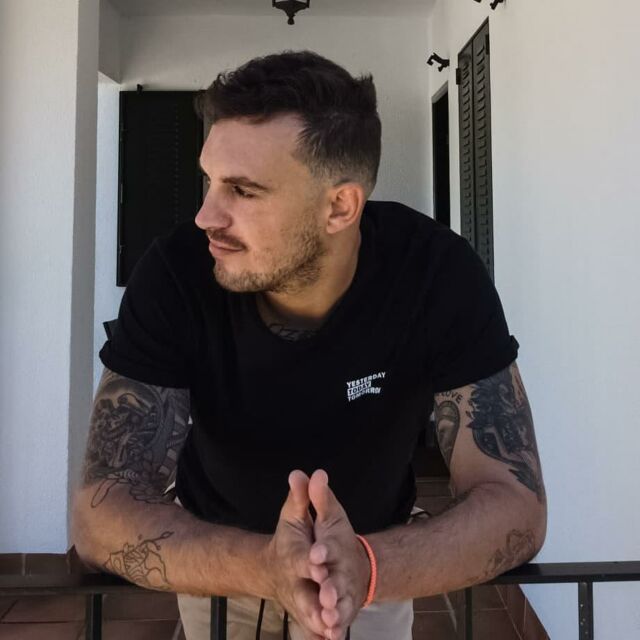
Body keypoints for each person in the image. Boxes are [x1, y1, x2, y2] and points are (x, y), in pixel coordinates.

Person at [72, 50, 547, 640]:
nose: (206, 217)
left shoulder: (435, 273)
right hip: (217, 566)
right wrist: (265, 568)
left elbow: (516, 503)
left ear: (339, 206)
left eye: (243, 190)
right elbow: (101, 512)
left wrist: (367, 566)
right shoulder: (176, 273)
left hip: (375, 569)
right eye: (209, 180)